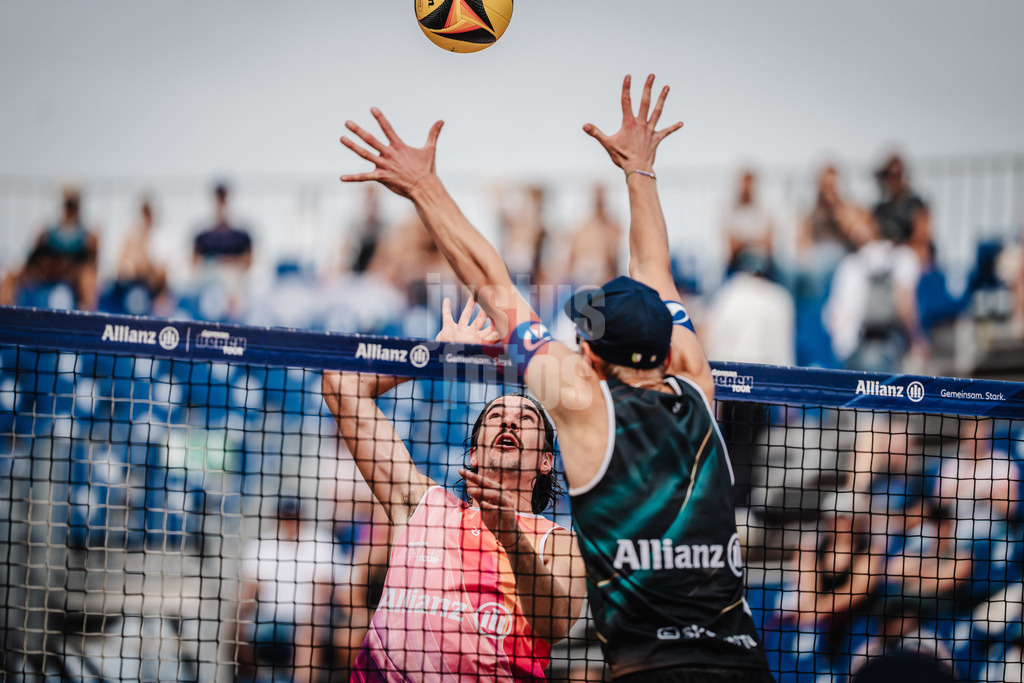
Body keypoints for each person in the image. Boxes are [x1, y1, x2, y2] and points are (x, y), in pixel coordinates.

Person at [338, 73, 773, 681]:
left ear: (591, 358)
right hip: (742, 666)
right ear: (667, 346)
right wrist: (639, 172)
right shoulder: (697, 385)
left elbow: (491, 280)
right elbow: (654, 269)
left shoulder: (581, 410)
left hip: (652, 671)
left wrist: (424, 187)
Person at [321, 299, 587, 681]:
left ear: (546, 461)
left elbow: (556, 624)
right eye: (496, 417)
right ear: (475, 454)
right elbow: (339, 382)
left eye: (525, 418)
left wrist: (512, 539)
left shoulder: (557, 541)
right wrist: (434, 356)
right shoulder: (420, 504)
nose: (509, 421)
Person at [235, 498, 350, 683]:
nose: (290, 522)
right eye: (285, 517)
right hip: (268, 619)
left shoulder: (321, 543)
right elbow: (248, 590)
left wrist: (312, 617)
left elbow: (322, 591)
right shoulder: (262, 545)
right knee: (236, 624)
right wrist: (240, 613)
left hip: (307, 620)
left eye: (294, 517)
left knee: (311, 627)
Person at [0, 183, 99, 310]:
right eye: (67, 206)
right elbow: (33, 257)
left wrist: (68, 266)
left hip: (72, 272)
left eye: (72, 206)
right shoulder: (47, 233)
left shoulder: (88, 237)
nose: (69, 211)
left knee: (88, 278)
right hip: (46, 269)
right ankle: (4, 315)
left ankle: (87, 319)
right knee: (10, 275)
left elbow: (91, 263)